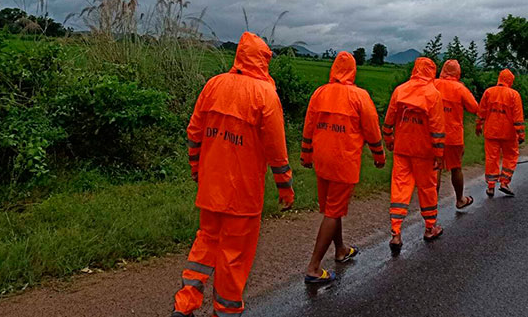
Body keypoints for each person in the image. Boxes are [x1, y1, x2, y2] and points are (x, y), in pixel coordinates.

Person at [171, 32, 295, 317]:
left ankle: (185, 303)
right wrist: (285, 186)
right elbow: (276, 150)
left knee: (205, 243)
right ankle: (225, 312)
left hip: (211, 186)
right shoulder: (266, 95)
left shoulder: (213, 85)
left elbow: (194, 133)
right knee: (233, 257)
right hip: (243, 194)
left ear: (239, 56)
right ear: (263, 60)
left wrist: (195, 169)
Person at [300, 51, 386, 284]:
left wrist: (305, 154)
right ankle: (314, 268)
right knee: (333, 211)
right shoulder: (359, 96)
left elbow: (309, 125)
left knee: (332, 208)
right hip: (343, 161)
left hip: (322, 159)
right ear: (352, 70)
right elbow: (372, 130)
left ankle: (340, 249)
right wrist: (379, 155)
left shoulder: (320, 93)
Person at [383, 57, 446, 252]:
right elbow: (437, 127)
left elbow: (389, 119)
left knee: (400, 188)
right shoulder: (433, 94)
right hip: (424, 151)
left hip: (402, 148)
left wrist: (389, 140)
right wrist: (439, 153)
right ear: (431, 72)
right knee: (427, 188)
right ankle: (429, 228)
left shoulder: (400, 90)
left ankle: (396, 233)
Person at [433, 59, 479, 209]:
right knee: (456, 168)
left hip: (433, 134)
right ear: (458, 72)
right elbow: (474, 107)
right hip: (453, 136)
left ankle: (431, 205)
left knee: (435, 169)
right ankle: (460, 199)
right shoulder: (460, 89)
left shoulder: (433, 84)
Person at [476, 69, 525, 197]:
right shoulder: (514, 95)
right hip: (508, 134)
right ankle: (504, 182)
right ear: (510, 80)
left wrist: (478, 125)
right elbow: (518, 117)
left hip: (491, 131)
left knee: (492, 158)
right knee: (511, 156)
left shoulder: (488, 92)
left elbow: (481, 111)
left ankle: (490, 186)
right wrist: (521, 134)